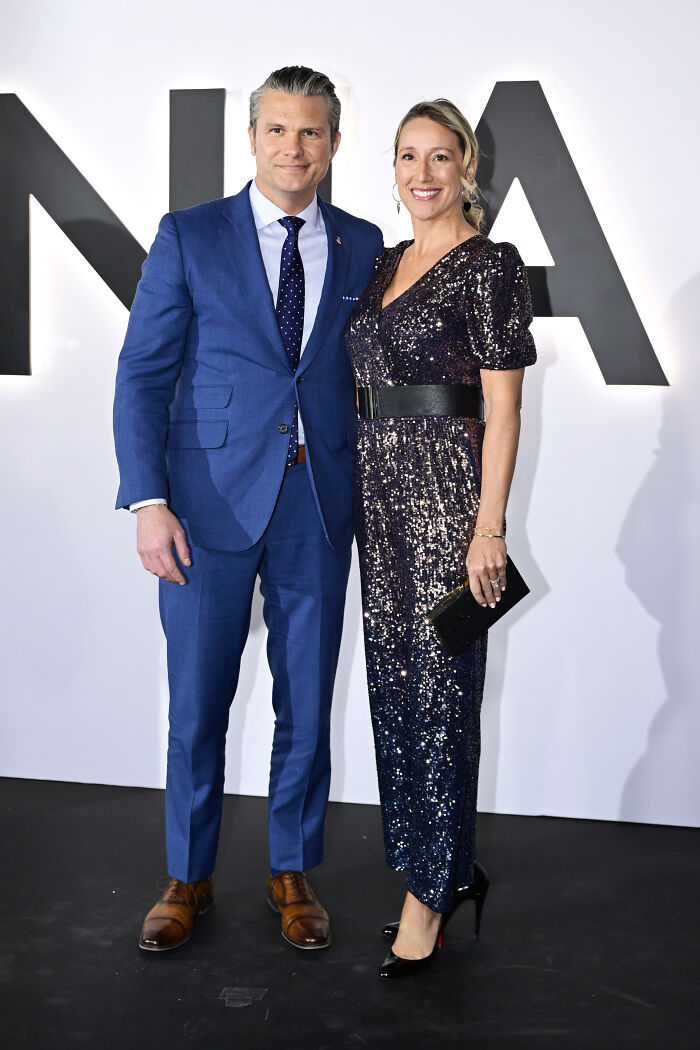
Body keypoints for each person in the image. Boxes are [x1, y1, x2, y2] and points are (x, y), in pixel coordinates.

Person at [113, 66, 383, 953]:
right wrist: (148, 501)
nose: (293, 148)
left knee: (306, 701)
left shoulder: (361, 242)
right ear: (254, 138)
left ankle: (290, 870)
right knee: (198, 704)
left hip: (317, 505)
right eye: (277, 130)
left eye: (311, 133)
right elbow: (143, 375)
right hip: (204, 510)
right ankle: (187, 876)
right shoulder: (189, 236)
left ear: (334, 145)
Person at [346, 99, 536, 978]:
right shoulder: (385, 263)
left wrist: (486, 527)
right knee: (396, 690)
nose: (422, 175)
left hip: (445, 498)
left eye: (439, 157)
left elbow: (503, 408)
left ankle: (431, 894)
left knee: (443, 697)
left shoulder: (490, 265)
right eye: (406, 157)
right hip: (377, 500)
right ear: (392, 168)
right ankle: (436, 866)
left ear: (467, 166)